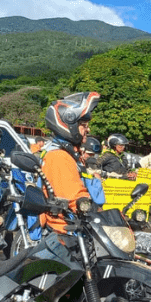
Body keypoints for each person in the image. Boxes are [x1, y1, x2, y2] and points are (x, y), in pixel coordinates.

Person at [40, 91, 101, 234]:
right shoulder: (59, 157)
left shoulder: (69, 153)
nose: (88, 129)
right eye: (84, 125)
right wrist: (100, 213)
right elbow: (74, 198)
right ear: (69, 125)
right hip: (66, 232)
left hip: (73, 226)